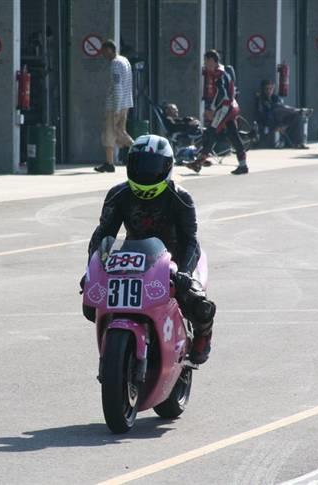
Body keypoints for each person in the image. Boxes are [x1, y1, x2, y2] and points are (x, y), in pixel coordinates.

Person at [83, 134, 216, 364]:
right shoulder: (118, 194)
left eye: (152, 167)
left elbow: (190, 240)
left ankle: (203, 336)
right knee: (90, 305)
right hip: (134, 257)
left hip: (176, 258)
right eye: (140, 165)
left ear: (167, 167)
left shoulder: (181, 197)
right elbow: (104, 234)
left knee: (200, 304)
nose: (146, 173)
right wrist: (92, 269)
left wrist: (184, 272)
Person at [186, 49, 248, 175]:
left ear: (213, 61)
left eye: (207, 61)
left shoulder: (220, 74)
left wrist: (212, 109)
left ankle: (199, 162)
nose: (205, 63)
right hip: (227, 106)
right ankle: (243, 165)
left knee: (211, 132)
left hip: (225, 107)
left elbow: (222, 95)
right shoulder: (214, 71)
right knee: (233, 135)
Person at [94, 39, 134, 173]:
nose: (103, 54)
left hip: (115, 105)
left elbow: (117, 86)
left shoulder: (115, 64)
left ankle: (110, 162)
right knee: (120, 131)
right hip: (126, 103)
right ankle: (138, 149)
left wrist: (116, 108)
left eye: (104, 51)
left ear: (110, 49)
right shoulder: (125, 61)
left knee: (109, 133)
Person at [255, 79, 311, 149]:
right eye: (267, 89)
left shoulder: (276, 98)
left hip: (281, 119)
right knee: (277, 109)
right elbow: (262, 116)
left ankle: (299, 143)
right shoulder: (260, 100)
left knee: (298, 116)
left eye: (271, 88)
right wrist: (274, 126)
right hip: (271, 121)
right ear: (263, 89)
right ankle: (297, 110)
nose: (269, 91)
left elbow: (282, 110)